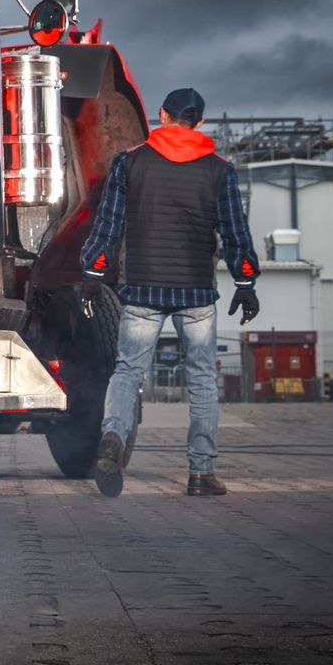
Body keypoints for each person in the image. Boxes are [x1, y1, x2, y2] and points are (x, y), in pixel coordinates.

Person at [78, 87, 260, 498]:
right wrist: (245, 282)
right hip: (196, 293)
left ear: (162, 115)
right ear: (200, 123)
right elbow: (235, 232)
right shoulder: (219, 170)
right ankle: (201, 473)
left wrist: (93, 272)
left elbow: (108, 224)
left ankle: (113, 438)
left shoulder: (129, 161)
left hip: (142, 288)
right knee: (201, 380)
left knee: (127, 372)